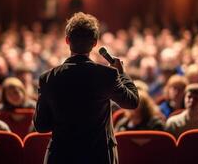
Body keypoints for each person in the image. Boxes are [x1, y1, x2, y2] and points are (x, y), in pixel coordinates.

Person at [33, 12, 139, 164]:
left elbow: (41, 126)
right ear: (95, 43)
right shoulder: (107, 75)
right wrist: (122, 73)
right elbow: (132, 102)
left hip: (61, 156)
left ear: (67, 40)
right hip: (98, 156)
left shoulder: (48, 78)